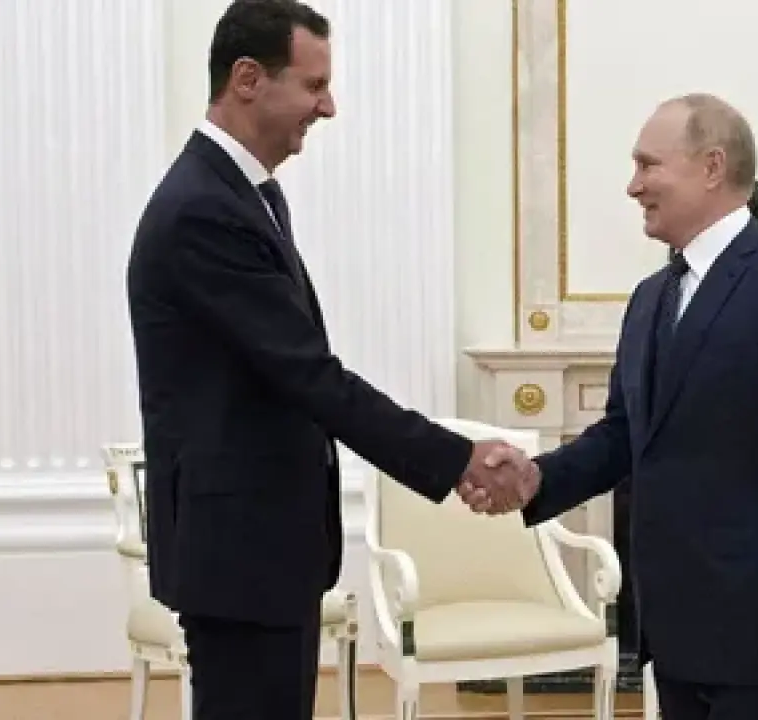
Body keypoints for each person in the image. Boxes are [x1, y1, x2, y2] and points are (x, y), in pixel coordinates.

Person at [125, 2, 532, 717]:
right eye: (314, 85)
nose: (329, 106)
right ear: (247, 79)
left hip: (259, 552)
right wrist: (457, 459)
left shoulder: (243, 196)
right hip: (239, 554)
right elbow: (309, 376)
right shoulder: (204, 210)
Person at [463, 94, 758, 719]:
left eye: (648, 165)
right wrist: (537, 478)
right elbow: (626, 434)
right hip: (676, 628)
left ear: (711, 167)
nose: (634, 186)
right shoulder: (651, 297)